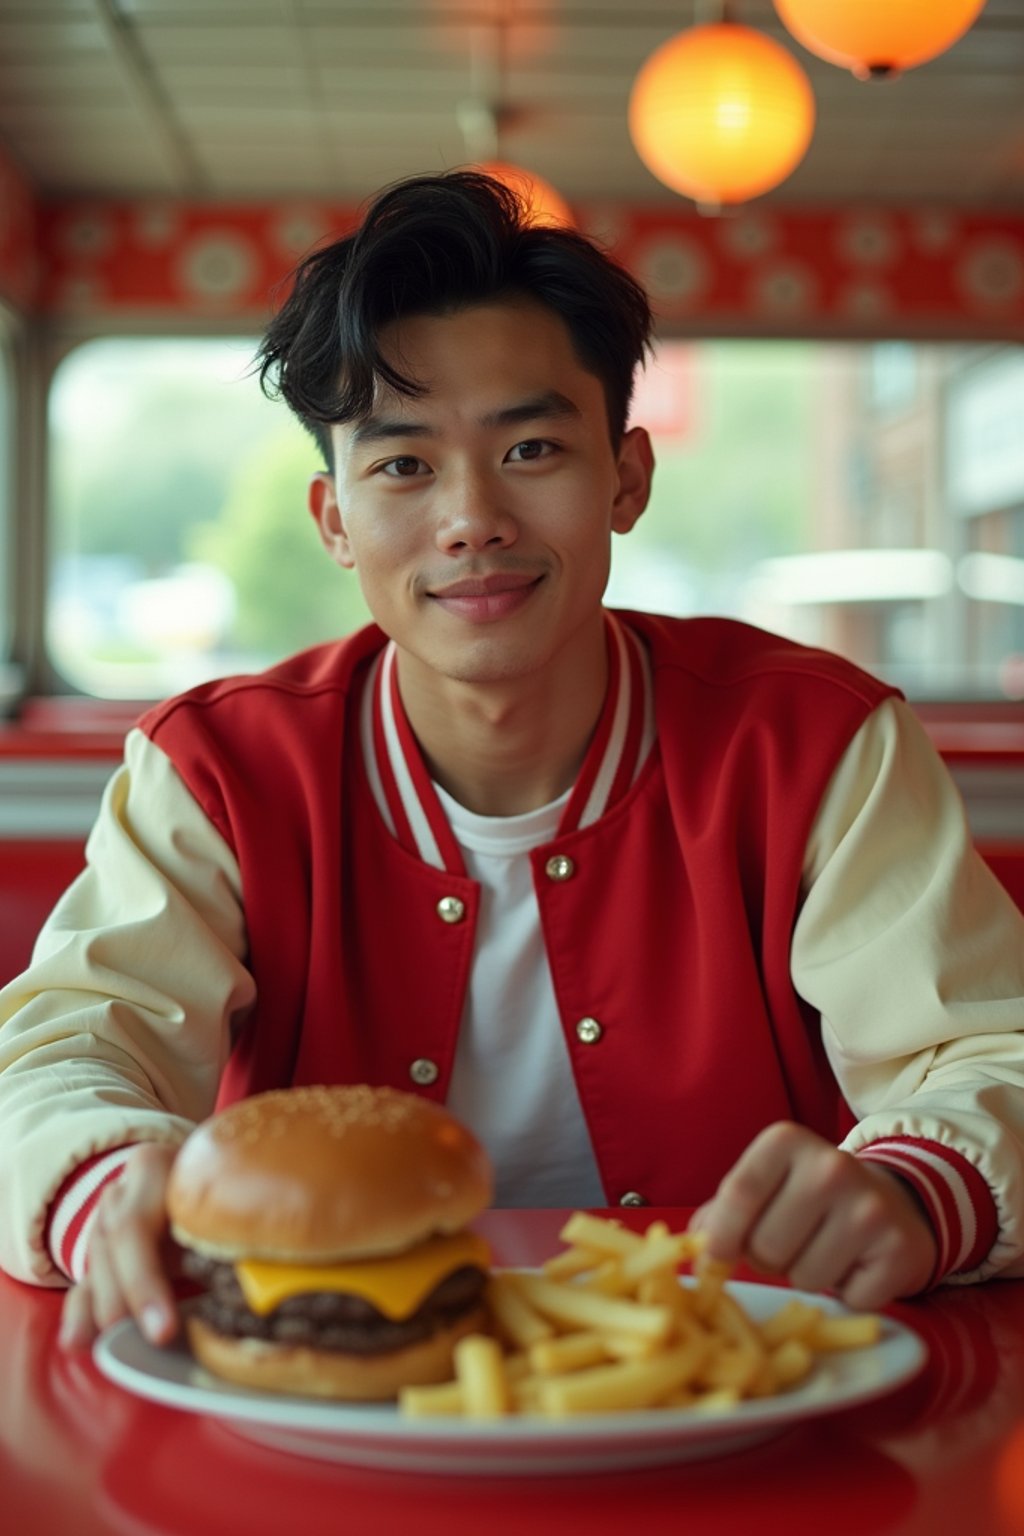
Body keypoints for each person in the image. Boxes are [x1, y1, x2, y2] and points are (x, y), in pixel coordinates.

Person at [2, 172, 1024, 1354]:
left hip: (723, 1366)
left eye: (531, 446)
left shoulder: (818, 744)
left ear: (625, 478)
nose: (471, 517)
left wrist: (915, 1186)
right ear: (333, 519)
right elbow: (75, 1043)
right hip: (315, 1379)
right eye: (402, 466)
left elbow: (988, 1047)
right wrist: (104, 1180)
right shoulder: (216, 769)